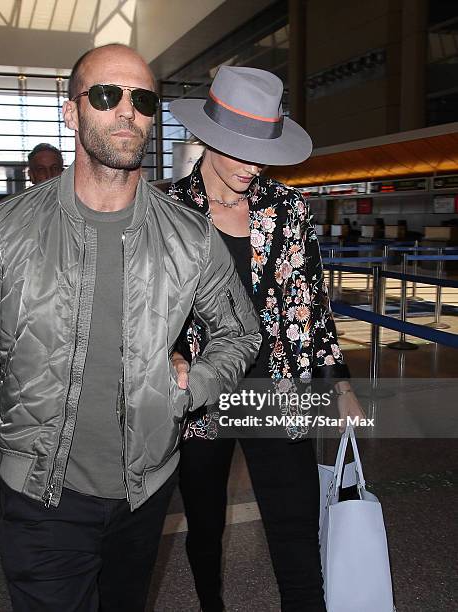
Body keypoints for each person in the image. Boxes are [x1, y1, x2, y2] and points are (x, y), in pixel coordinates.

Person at [0, 45, 261, 612]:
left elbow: (241, 333)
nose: (127, 111)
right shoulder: (6, 231)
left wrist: (196, 383)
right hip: (40, 496)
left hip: (146, 493)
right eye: (107, 95)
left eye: (143, 99)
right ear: (71, 112)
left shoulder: (190, 237)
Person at [168, 67, 365, 612]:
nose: (254, 166)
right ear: (207, 138)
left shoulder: (288, 211)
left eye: (263, 153)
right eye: (240, 150)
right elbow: (149, 309)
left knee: (296, 527)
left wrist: (339, 385)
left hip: (277, 391)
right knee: (204, 525)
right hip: (203, 397)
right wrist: (171, 354)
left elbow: (311, 307)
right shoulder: (169, 214)